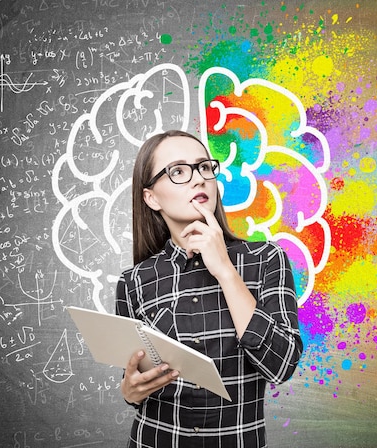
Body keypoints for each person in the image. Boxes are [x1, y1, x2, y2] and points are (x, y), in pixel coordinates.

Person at [115, 129, 303, 447]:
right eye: (178, 171)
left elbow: (281, 365)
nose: (198, 179)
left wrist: (226, 272)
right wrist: (130, 391)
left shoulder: (267, 259)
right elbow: (137, 375)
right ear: (151, 197)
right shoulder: (134, 281)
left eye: (204, 167)